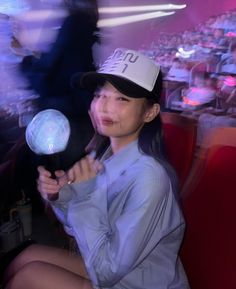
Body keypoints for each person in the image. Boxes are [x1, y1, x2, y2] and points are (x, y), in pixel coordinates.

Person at [3, 48, 190, 289]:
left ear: (150, 111)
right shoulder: (105, 154)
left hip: (140, 281)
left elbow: (105, 272)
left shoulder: (149, 179)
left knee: (27, 276)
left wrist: (83, 200)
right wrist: (61, 195)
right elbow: (77, 228)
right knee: (24, 258)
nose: (104, 106)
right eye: (100, 94)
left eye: (122, 98)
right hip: (120, 269)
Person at [20, 0, 100, 169]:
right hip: (77, 112)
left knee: (61, 175)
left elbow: (52, 67)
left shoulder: (75, 21)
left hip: (66, 115)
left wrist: (26, 60)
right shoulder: (85, 21)